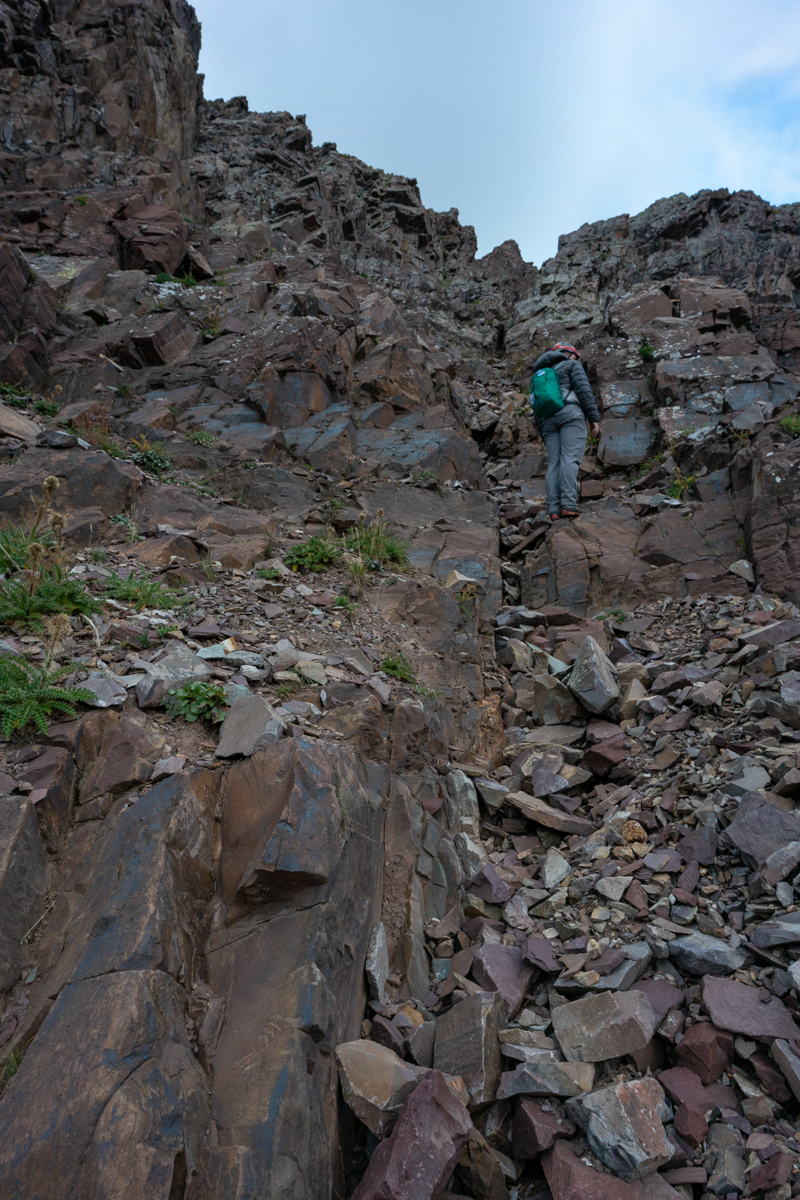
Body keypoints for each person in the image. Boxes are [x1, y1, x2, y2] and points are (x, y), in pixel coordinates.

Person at [530, 342, 601, 520]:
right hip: (570, 416)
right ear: (567, 354)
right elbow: (584, 391)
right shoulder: (571, 365)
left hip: (548, 422)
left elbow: (536, 407)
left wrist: (544, 432)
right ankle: (568, 504)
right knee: (570, 458)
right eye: (575, 356)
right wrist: (593, 419)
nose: (577, 359)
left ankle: (554, 508)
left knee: (554, 463)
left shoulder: (541, 374)